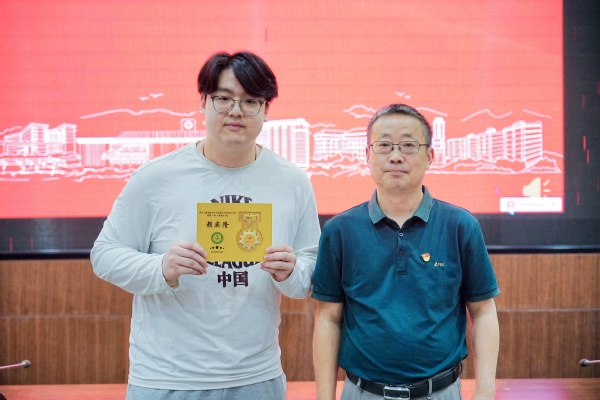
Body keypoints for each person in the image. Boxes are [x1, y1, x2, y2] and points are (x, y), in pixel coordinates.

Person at [91, 51, 321, 400]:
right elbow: (104, 255)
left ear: (266, 110)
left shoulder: (292, 181)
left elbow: (311, 270)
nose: (236, 111)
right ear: (203, 103)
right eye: (224, 98)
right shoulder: (156, 177)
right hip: (166, 377)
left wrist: (292, 272)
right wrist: (161, 267)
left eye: (250, 101)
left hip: (256, 377)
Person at [312, 104, 500, 400]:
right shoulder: (340, 230)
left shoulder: (460, 226)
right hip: (362, 392)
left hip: (441, 392)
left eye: (409, 145)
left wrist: (485, 391)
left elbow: (483, 311)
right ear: (368, 155)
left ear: (430, 156)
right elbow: (328, 318)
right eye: (384, 145)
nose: (396, 156)